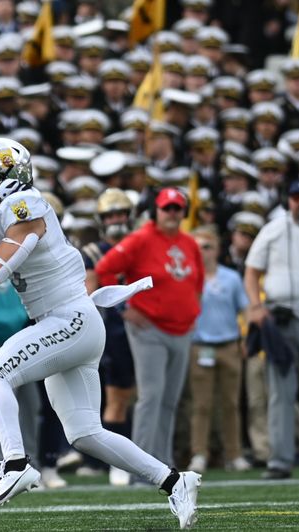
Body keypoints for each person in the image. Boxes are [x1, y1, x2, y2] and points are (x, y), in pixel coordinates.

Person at [0, 139, 200, 529]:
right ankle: (175, 480)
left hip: (69, 318)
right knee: (85, 433)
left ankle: (16, 464)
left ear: (8, 181)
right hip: (66, 323)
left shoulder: (26, 206)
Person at [96, 187, 204, 467]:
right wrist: (123, 307)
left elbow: (197, 282)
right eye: (166, 208)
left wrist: (193, 311)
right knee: (151, 396)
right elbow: (105, 269)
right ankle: (141, 466)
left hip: (182, 329)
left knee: (170, 399)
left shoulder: (189, 243)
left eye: (177, 208)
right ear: (156, 210)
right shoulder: (140, 239)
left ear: (183, 212)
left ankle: (163, 462)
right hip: (149, 327)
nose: (171, 213)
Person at [244, 178, 299, 480]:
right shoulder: (274, 229)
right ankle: (280, 460)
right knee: (281, 391)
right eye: (296, 197)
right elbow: (252, 270)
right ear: (288, 200)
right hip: (282, 318)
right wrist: (256, 306)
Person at [80, 188, 136, 486]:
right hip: (107, 328)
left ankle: (130, 457)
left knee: (132, 397)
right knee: (111, 397)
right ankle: (113, 463)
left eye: (120, 213)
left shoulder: (139, 245)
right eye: (110, 215)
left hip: (140, 328)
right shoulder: (91, 252)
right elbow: (89, 295)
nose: (116, 219)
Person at [185, 227, 251, 474]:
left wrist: (246, 337)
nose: (203, 252)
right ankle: (199, 453)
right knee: (201, 405)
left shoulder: (231, 277)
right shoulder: (189, 277)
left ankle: (234, 454)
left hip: (228, 345)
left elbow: (245, 309)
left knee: (231, 404)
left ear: (217, 249)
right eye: (198, 247)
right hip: (200, 346)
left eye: (207, 246)